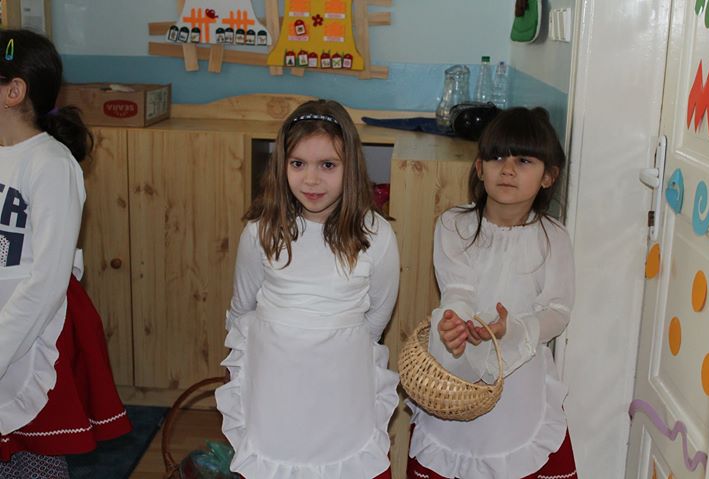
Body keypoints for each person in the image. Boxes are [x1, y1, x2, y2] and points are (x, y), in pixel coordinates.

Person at [215, 99, 400, 479]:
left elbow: (378, 314)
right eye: (298, 164)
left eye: (327, 165)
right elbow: (242, 306)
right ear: (281, 165)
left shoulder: (376, 234)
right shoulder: (261, 232)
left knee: (342, 456)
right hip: (276, 383)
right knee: (278, 455)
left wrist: (337, 349)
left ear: (351, 167)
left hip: (340, 382)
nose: (311, 180)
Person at [406, 107, 577, 479]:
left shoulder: (554, 237)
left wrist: (510, 329)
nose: (508, 169)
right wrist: (455, 323)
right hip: (459, 371)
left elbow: (557, 311)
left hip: (521, 383)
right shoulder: (455, 224)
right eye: (497, 157)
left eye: (524, 160)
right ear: (480, 168)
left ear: (548, 176)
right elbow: (458, 289)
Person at [0, 29, 131, 477]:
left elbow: (48, 280)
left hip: (35, 332)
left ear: (14, 91)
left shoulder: (51, 164)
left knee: (33, 455)